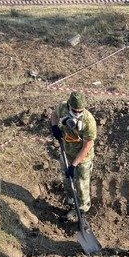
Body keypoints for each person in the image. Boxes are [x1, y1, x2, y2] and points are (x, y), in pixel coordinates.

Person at [50, 92, 98, 222]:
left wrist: (74, 165)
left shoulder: (89, 121)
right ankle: (71, 203)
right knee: (67, 179)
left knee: (81, 183)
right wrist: (54, 127)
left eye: (80, 111)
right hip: (67, 152)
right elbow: (54, 114)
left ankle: (82, 210)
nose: (77, 113)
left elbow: (87, 146)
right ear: (69, 106)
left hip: (83, 157)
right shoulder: (62, 108)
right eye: (74, 111)